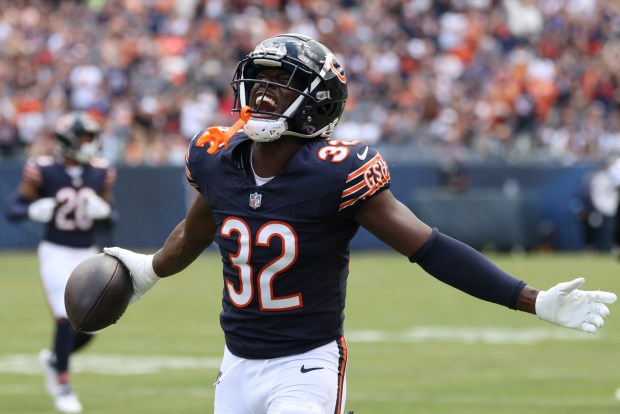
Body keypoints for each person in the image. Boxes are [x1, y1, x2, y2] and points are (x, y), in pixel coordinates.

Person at [104, 34, 616, 414]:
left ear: (317, 102)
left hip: (304, 366)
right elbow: (194, 232)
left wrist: (530, 299)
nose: (263, 91)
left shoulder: (336, 171)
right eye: (259, 78)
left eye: (283, 84)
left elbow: (429, 248)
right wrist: (147, 272)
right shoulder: (218, 157)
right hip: (235, 364)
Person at [6, 111, 116, 413]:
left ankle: (55, 359)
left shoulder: (100, 171)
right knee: (64, 317)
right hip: (55, 251)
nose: (89, 143)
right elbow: (14, 208)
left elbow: (112, 218)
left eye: (90, 137)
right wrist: (31, 210)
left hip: (88, 252)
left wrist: (104, 212)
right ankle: (63, 384)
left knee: (92, 325)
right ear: (68, 141)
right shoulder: (42, 170)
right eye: (83, 138)